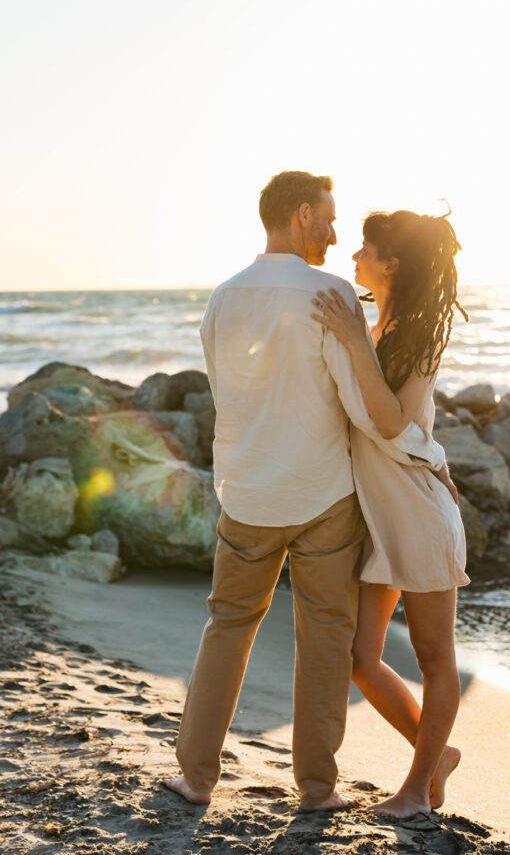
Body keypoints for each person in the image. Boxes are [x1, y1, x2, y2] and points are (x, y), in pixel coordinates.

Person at [162, 172, 447, 813]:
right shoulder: (332, 293)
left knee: (226, 628)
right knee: (323, 638)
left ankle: (196, 779)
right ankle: (317, 790)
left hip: (246, 495)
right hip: (324, 499)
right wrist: (425, 457)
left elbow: (222, 394)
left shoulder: (222, 298)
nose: (335, 232)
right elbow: (363, 408)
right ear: (300, 217)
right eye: (327, 218)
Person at [310, 208, 470, 820]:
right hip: (379, 520)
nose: (353, 258)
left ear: (392, 262)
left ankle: (415, 793)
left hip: (420, 516)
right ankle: (438, 758)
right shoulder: (379, 328)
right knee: (361, 658)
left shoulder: (417, 336)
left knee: (434, 658)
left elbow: (391, 421)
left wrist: (352, 337)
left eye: (364, 249)